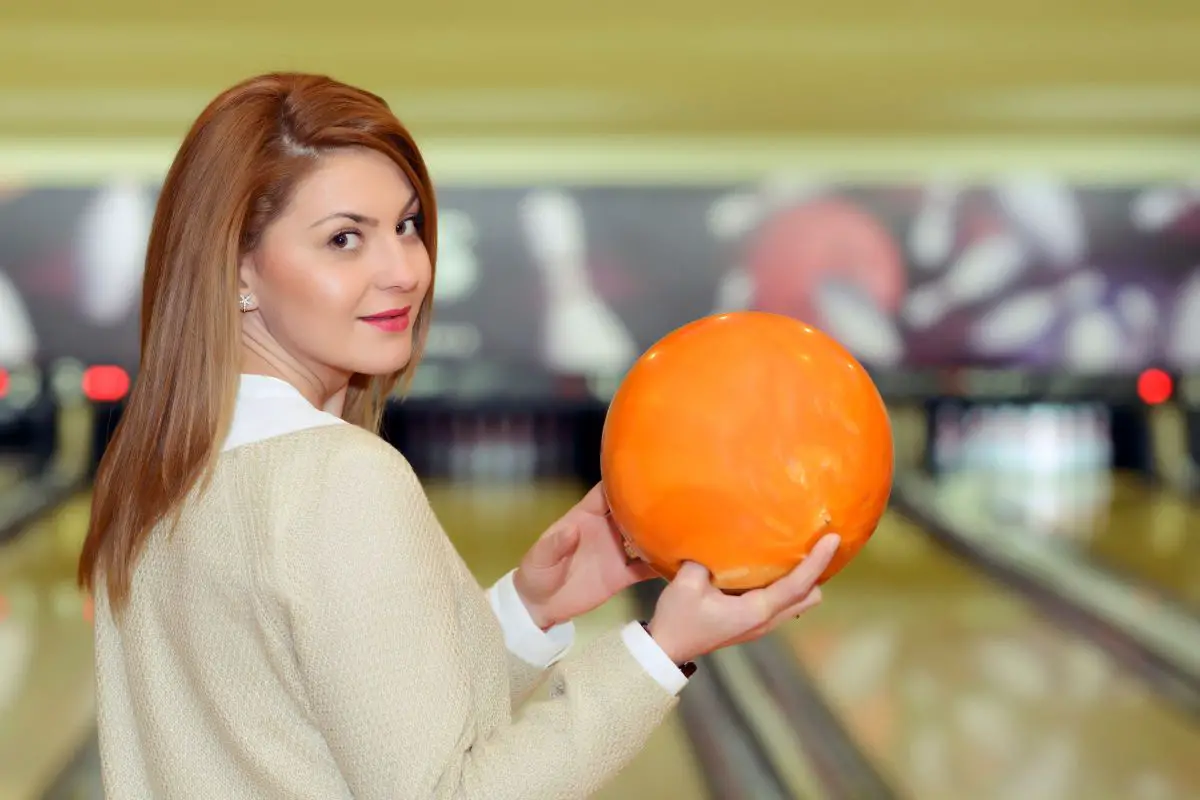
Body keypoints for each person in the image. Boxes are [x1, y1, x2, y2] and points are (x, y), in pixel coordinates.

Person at [77, 72, 840, 799]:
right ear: (238, 269)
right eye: (345, 238)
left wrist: (527, 610)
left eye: (407, 226)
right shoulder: (339, 478)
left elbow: (332, 738)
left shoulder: (159, 471)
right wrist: (660, 650)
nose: (405, 269)